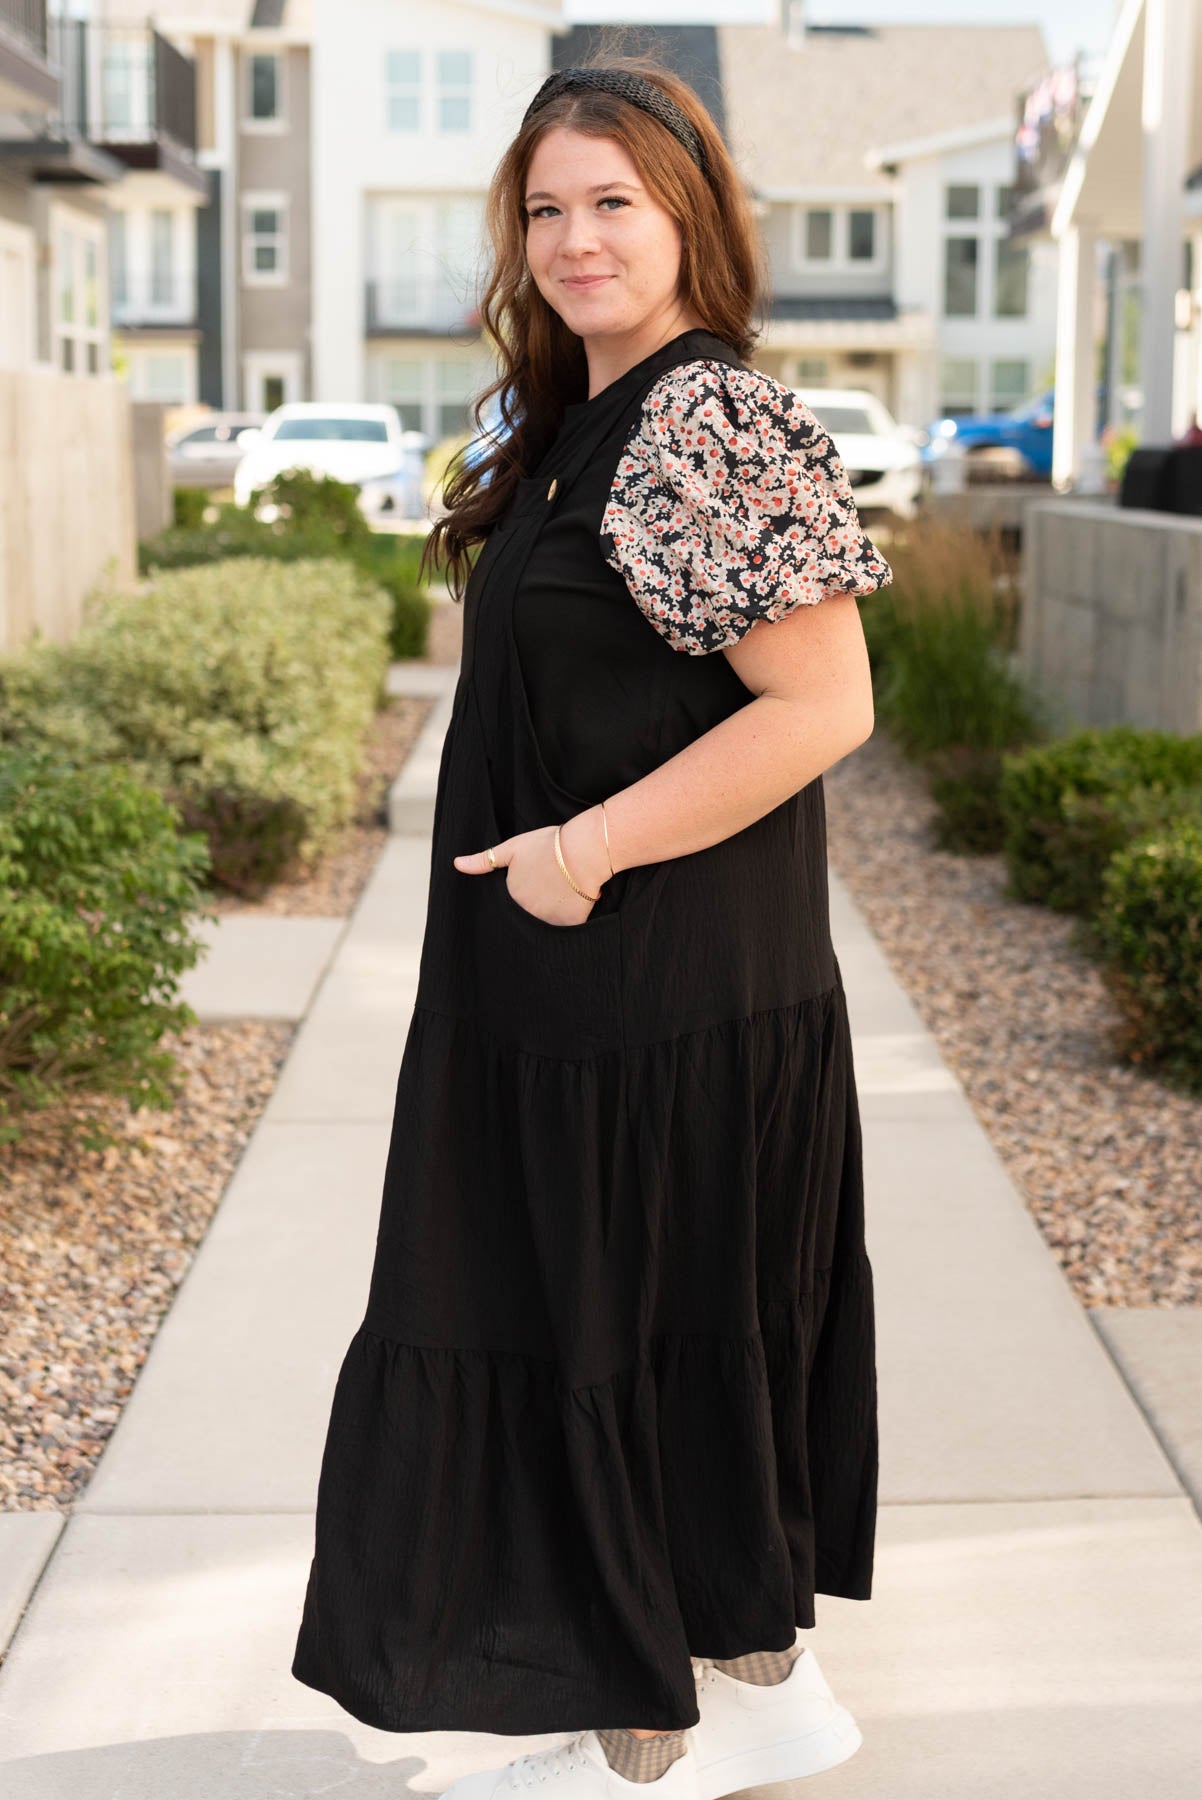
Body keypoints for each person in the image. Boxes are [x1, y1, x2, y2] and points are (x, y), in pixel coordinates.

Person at [291, 55, 892, 1800]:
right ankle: (681, 1681)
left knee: (630, 1329)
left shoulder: (714, 418)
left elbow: (822, 705)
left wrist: (582, 854)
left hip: (657, 995)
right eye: (544, 209)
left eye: (611, 201)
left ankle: (671, 1729)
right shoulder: (572, 417)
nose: (573, 238)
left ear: (692, 209)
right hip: (559, 1004)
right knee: (570, 1322)